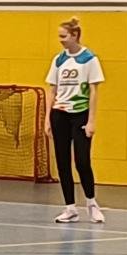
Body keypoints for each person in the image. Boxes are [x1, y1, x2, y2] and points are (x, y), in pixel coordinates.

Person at [46, 16, 105, 224]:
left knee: (82, 161)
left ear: (74, 35)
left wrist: (91, 121)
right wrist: (47, 119)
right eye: (59, 36)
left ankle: (91, 203)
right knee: (63, 162)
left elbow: (94, 91)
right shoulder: (59, 60)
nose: (61, 40)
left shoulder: (89, 59)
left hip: (80, 114)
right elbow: (52, 90)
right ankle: (70, 208)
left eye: (64, 36)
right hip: (59, 114)